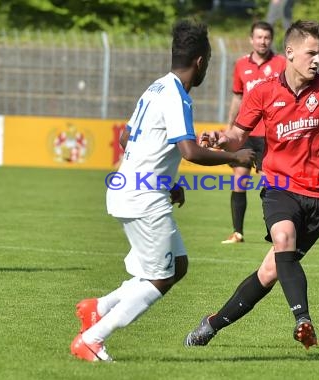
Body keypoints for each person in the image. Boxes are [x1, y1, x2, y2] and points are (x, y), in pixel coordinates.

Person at [69, 20, 255, 362]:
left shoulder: (156, 87)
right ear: (201, 62)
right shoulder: (176, 97)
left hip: (133, 189)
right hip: (143, 199)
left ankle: (97, 307)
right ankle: (93, 338)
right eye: (209, 63)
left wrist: (166, 180)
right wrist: (234, 156)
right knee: (161, 277)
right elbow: (190, 151)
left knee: (177, 265)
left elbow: (127, 138)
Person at [184, 20, 319, 349]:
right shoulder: (263, 92)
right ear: (290, 52)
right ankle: (303, 321)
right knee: (283, 239)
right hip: (280, 186)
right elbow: (237, 136)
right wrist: (218, 138)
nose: (317, 60)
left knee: (270, 272)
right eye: (311, 53)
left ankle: (211, 324)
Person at [221, 21, 286, 244]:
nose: (263, 41)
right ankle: (237, 232)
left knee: (269, 183)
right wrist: (230, 128)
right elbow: (237, 97)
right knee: (239, 178)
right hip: (245, 132)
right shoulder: (240, 65)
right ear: (251, 39)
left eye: (267, 37)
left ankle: (275, 232)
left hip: (269, 135)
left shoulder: (281, 64)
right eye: (259, 37)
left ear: (271, 40)